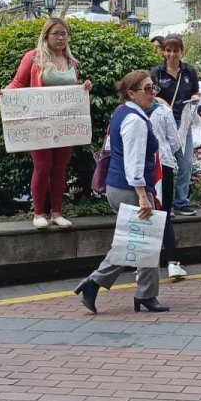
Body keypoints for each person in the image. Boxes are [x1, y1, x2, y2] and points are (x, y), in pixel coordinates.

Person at [73, 70, 169, 314]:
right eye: (147, 90)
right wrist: (142, 195)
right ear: (131, 93)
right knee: (137, 242)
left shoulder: (122, 112)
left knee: (142, 241)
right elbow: (134, 161)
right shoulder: (135, 120)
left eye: (153, 88)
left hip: (118, 185)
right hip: (130, 187)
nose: (152, 94)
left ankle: (145, 294)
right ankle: (96, 282)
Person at [1, 18, 94, 230]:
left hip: (64, 124)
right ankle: (38, 213)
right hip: (39, 124)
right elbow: (18, 83)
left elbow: (71, 90)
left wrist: (83, 87)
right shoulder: (33, 58)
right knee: (42, 167)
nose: (61, 37)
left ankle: (57, 213)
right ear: (46, 36)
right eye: (56, 33)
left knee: (60, 169)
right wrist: (5, 94)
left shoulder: (72, 62)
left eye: (64, 33)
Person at [151, 35, 201, 217]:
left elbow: (195, 91)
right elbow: (150, 95)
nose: (172, 54)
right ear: (163, 52)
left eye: (175, 50)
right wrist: (160, 100)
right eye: (168, 50)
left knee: (186, 162)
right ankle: (164, 203)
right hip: (163, 123)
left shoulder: (189, 71)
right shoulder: (156, 72)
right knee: (165, 164)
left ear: (181, 51)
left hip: (183, 122)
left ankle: (181, 202)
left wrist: (196, 98)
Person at [149, 97, 187, 279]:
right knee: (163, 213)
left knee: (143, 212)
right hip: (162, 164)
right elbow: (175, 142)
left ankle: (143, 264)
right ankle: (172, 262)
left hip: (138, 167)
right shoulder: (163, 111)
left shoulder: (127, 111)